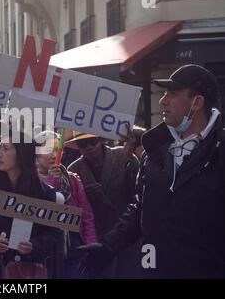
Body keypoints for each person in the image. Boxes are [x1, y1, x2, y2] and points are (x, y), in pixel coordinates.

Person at [79, 64, 225, 278]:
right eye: (164, 93)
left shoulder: (220, 150)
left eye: (173, 94)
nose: (162, 100)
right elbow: (141, 206)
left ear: (197, 102)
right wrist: (108, 246)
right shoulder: (155, 151)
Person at [0, 129, 59, 279]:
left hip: (29, 271)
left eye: (5, 148)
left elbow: (52, 234)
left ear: (21, 154)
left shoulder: (45, 193)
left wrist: (34, 246)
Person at [68, 133, 140, 278]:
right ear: (78, 148)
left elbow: (138, 190)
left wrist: (131, 157)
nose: (88, 147)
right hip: (97, 238)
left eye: (92, 142)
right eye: (83, 144)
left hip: (125, 232)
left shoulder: (121, 155)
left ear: (100, 140)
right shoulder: (74, 170)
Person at [35, 132, 97, 278]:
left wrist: (91, 245)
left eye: (57, 150)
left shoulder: (72, 179)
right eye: (48, 150)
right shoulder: (29, 181)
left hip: (73, 246)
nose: (53, 155)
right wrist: (50, 182)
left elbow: (86, 215)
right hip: (44, 249)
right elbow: (42, 212)